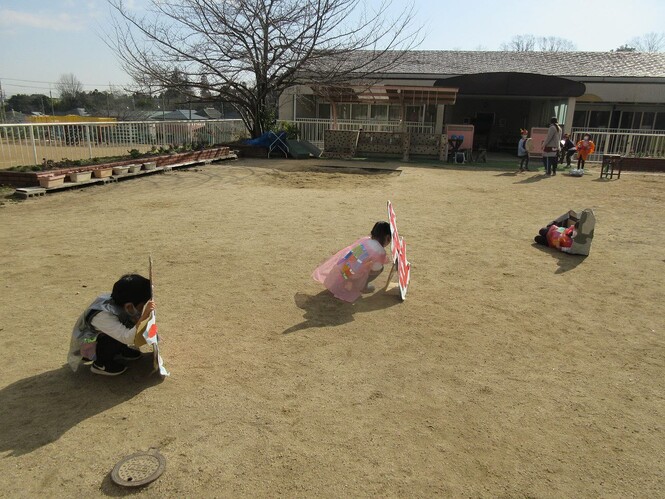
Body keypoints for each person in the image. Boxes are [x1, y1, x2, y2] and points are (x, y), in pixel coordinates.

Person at [68, 274, 155, 376]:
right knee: (117, 334)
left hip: (102, 335)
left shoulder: (120, 300)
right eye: (142, 306)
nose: (142, 309)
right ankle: (101, 363)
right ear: (130, 306)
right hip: (88, 345)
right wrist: (144, 317)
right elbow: (126, 337)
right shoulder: (103, 315)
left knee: (125, 324)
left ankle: (119, 350)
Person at [312, 221, 392, 303]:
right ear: (387, 237)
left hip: (343, 267)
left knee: (359, 263)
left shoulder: (365, 239)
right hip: (352, 274)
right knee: (380, 268)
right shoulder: (380, 252)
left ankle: (349, 281)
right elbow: (376, 268)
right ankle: (362, 286)